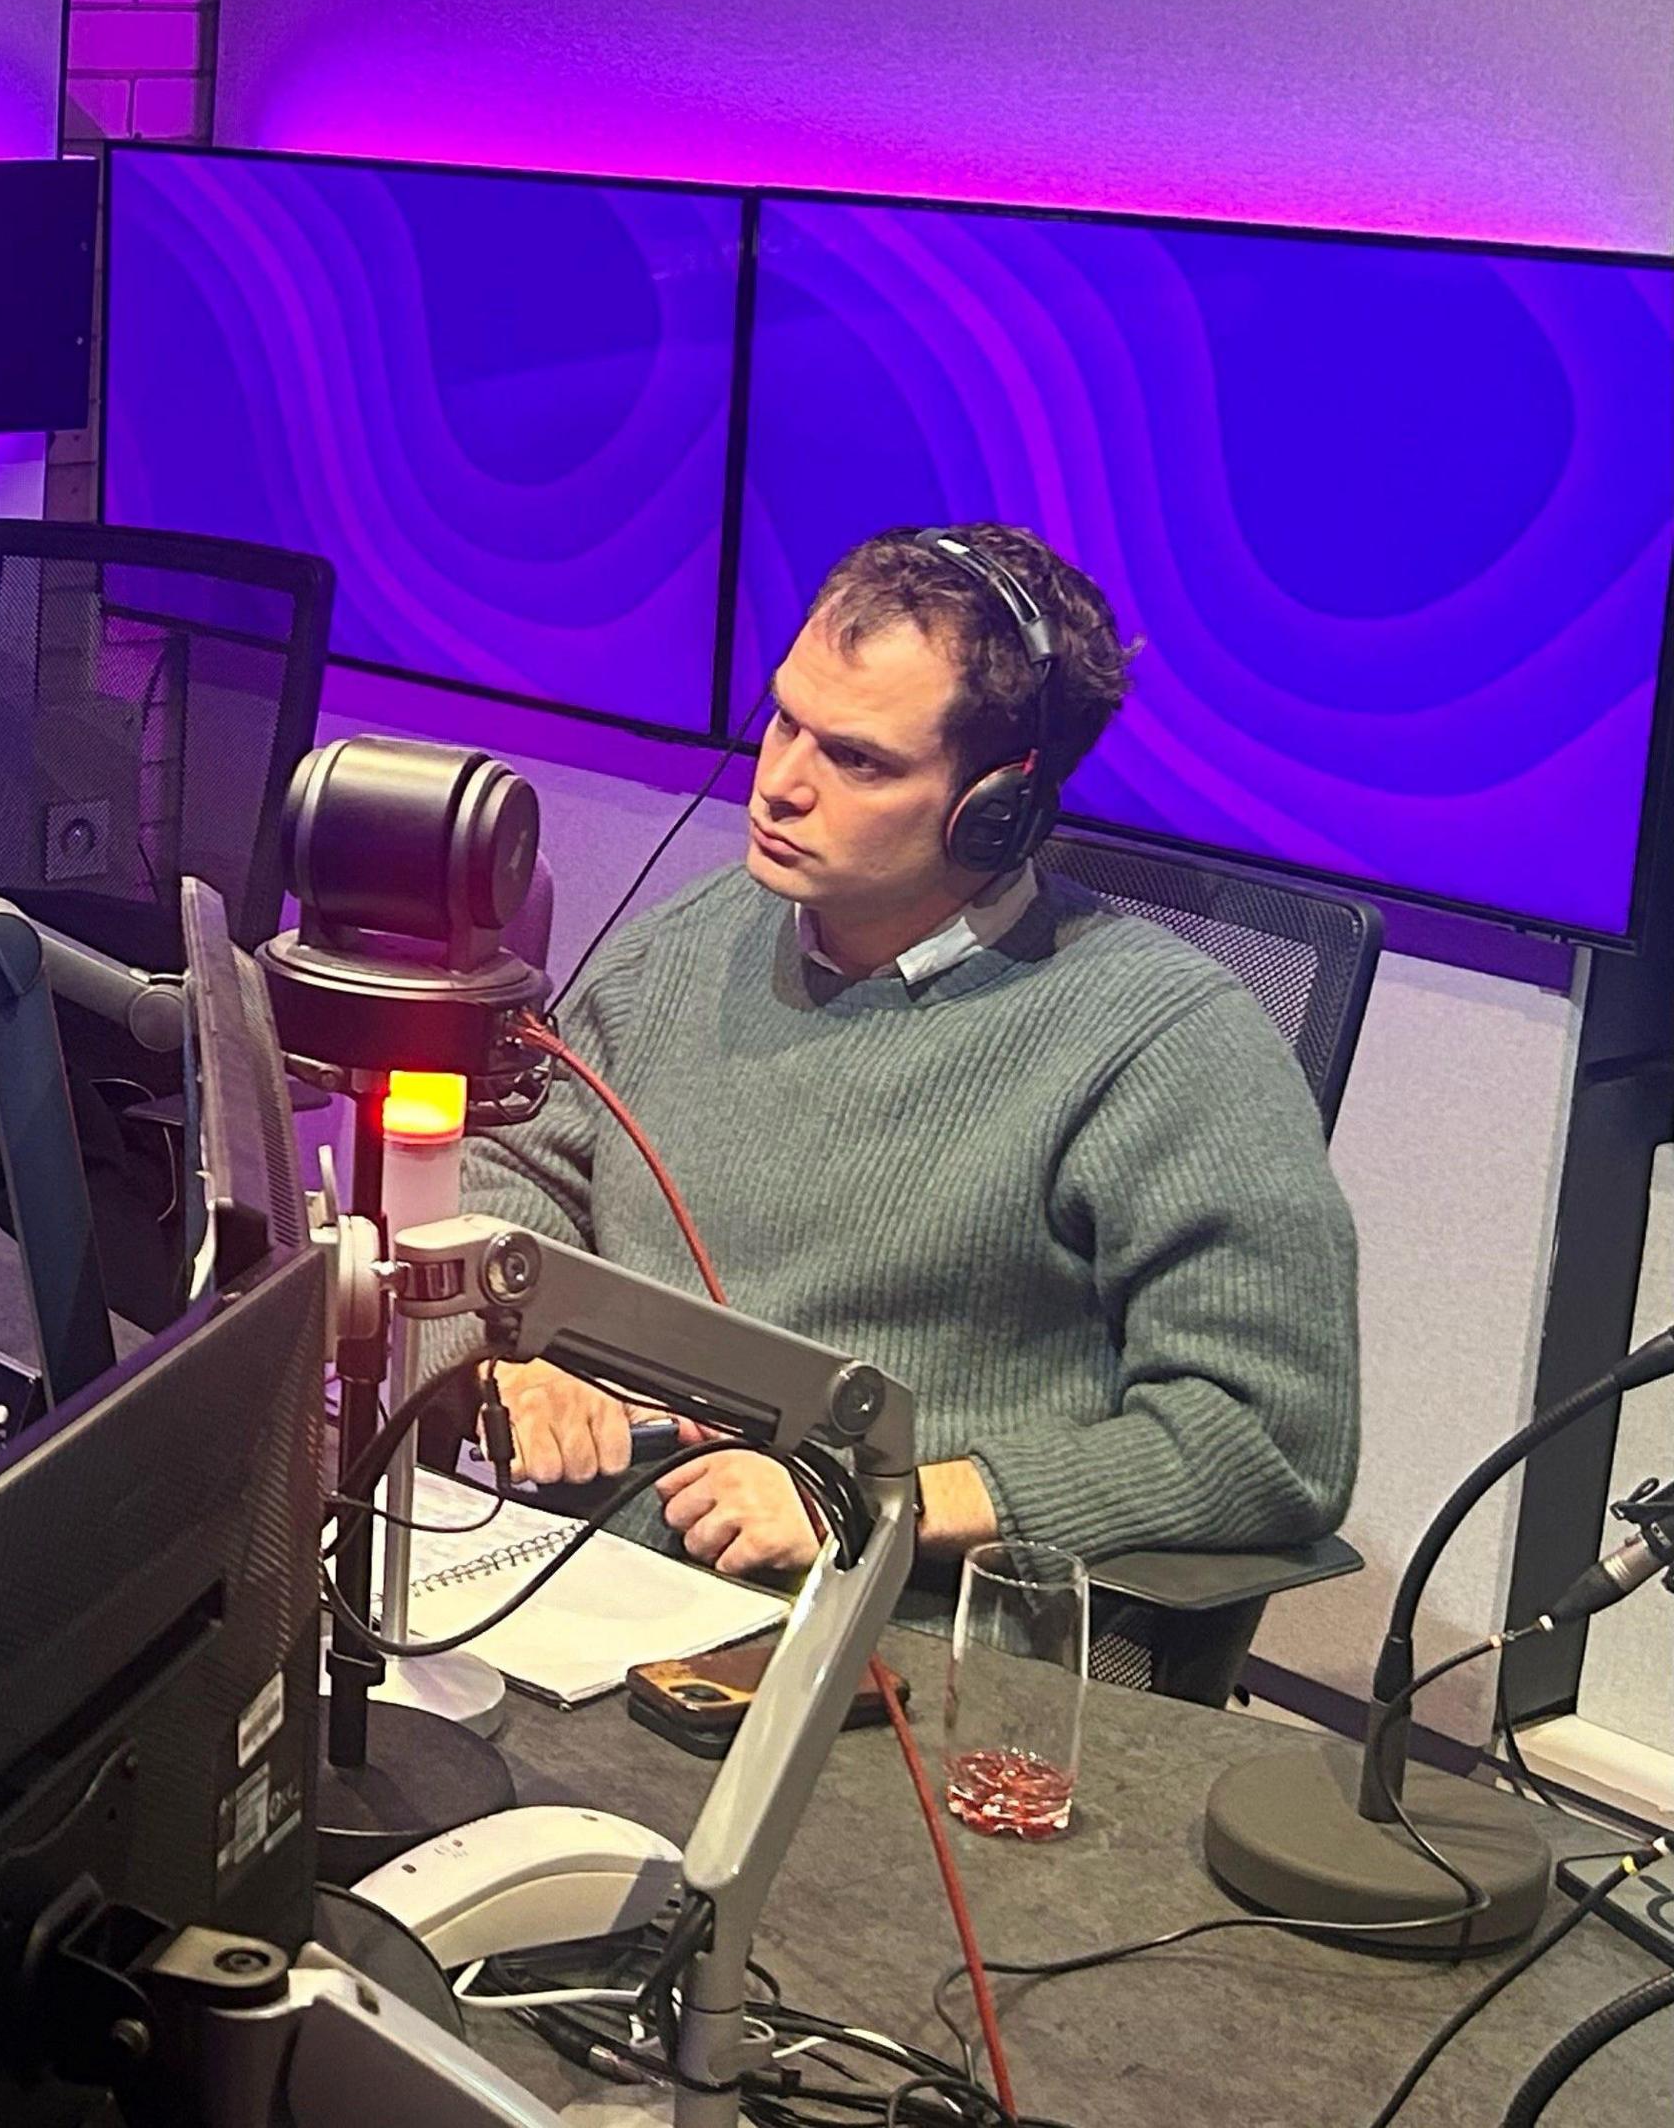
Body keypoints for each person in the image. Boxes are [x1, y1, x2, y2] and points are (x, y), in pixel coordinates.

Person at [466, 524, 1358, 1582]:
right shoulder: (693, 935)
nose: (782, 784)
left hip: (881, 1639)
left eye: (855, 759)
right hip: (586, 1578)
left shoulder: (1165, 1044)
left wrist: (883, 1499)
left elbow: (1268, 1440)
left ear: (998, 811)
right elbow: (512, 1165)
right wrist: (521, 1352)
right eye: (786, 722)